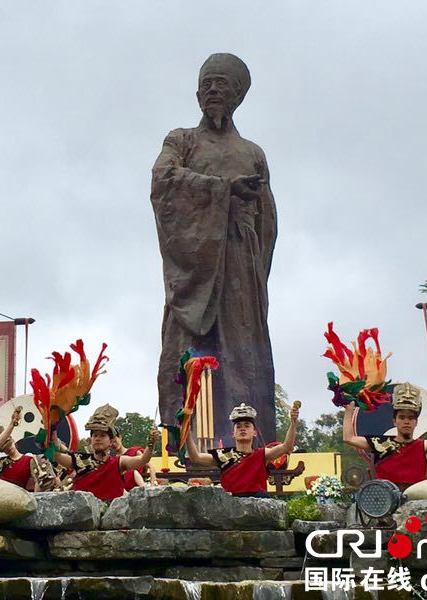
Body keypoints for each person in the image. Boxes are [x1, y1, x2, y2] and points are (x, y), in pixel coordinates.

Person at [151, 53, 278, 445]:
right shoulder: (182, 140)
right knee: (182, 349)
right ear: (196, 93)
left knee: (243, 351)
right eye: (207, 84)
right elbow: (163, 180)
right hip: (195, 263)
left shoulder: (253, 152)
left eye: (222, 85)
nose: (213, 92)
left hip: (240, 262)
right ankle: (179, 443)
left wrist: (255, 270)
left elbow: (267, 220)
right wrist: (222, 190)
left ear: (238, 95)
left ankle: (248, 445)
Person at [343, 382, 427, 490]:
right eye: (402, 417)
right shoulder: (379, 443)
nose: (406, 422)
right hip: (387, 504)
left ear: (416, 422)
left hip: (416, 504)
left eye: (411, 418)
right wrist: (349, 410)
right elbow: (349, 438)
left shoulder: (423, 446)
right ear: (394, 421)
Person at [185, 402, 298, 497]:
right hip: (232, 504)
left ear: (254, 433)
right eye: (238, 426)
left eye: (247, 425)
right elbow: (195, 457)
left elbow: (286, 447)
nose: (242, 429)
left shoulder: (262, 454)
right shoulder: (224, 455)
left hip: (259, 503)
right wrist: (187, 432)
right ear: (233, 434)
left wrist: (293, 422)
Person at [53, 404, 159, 501]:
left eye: (102, 435)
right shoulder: (80, 459)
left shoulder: (119, 462)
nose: (98, 438)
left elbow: (143, 459)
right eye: (95, 435)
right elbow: (57, 456)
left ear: (111, 441)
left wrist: (151, 443)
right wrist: (52, 428)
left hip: (113, 515)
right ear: (91, 440)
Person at [0, 416, 35, 489]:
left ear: (12, 440)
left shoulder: (29, 460)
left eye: (8, 445)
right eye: (5, 448)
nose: (8, 448)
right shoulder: (2, 463)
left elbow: (36, 481)